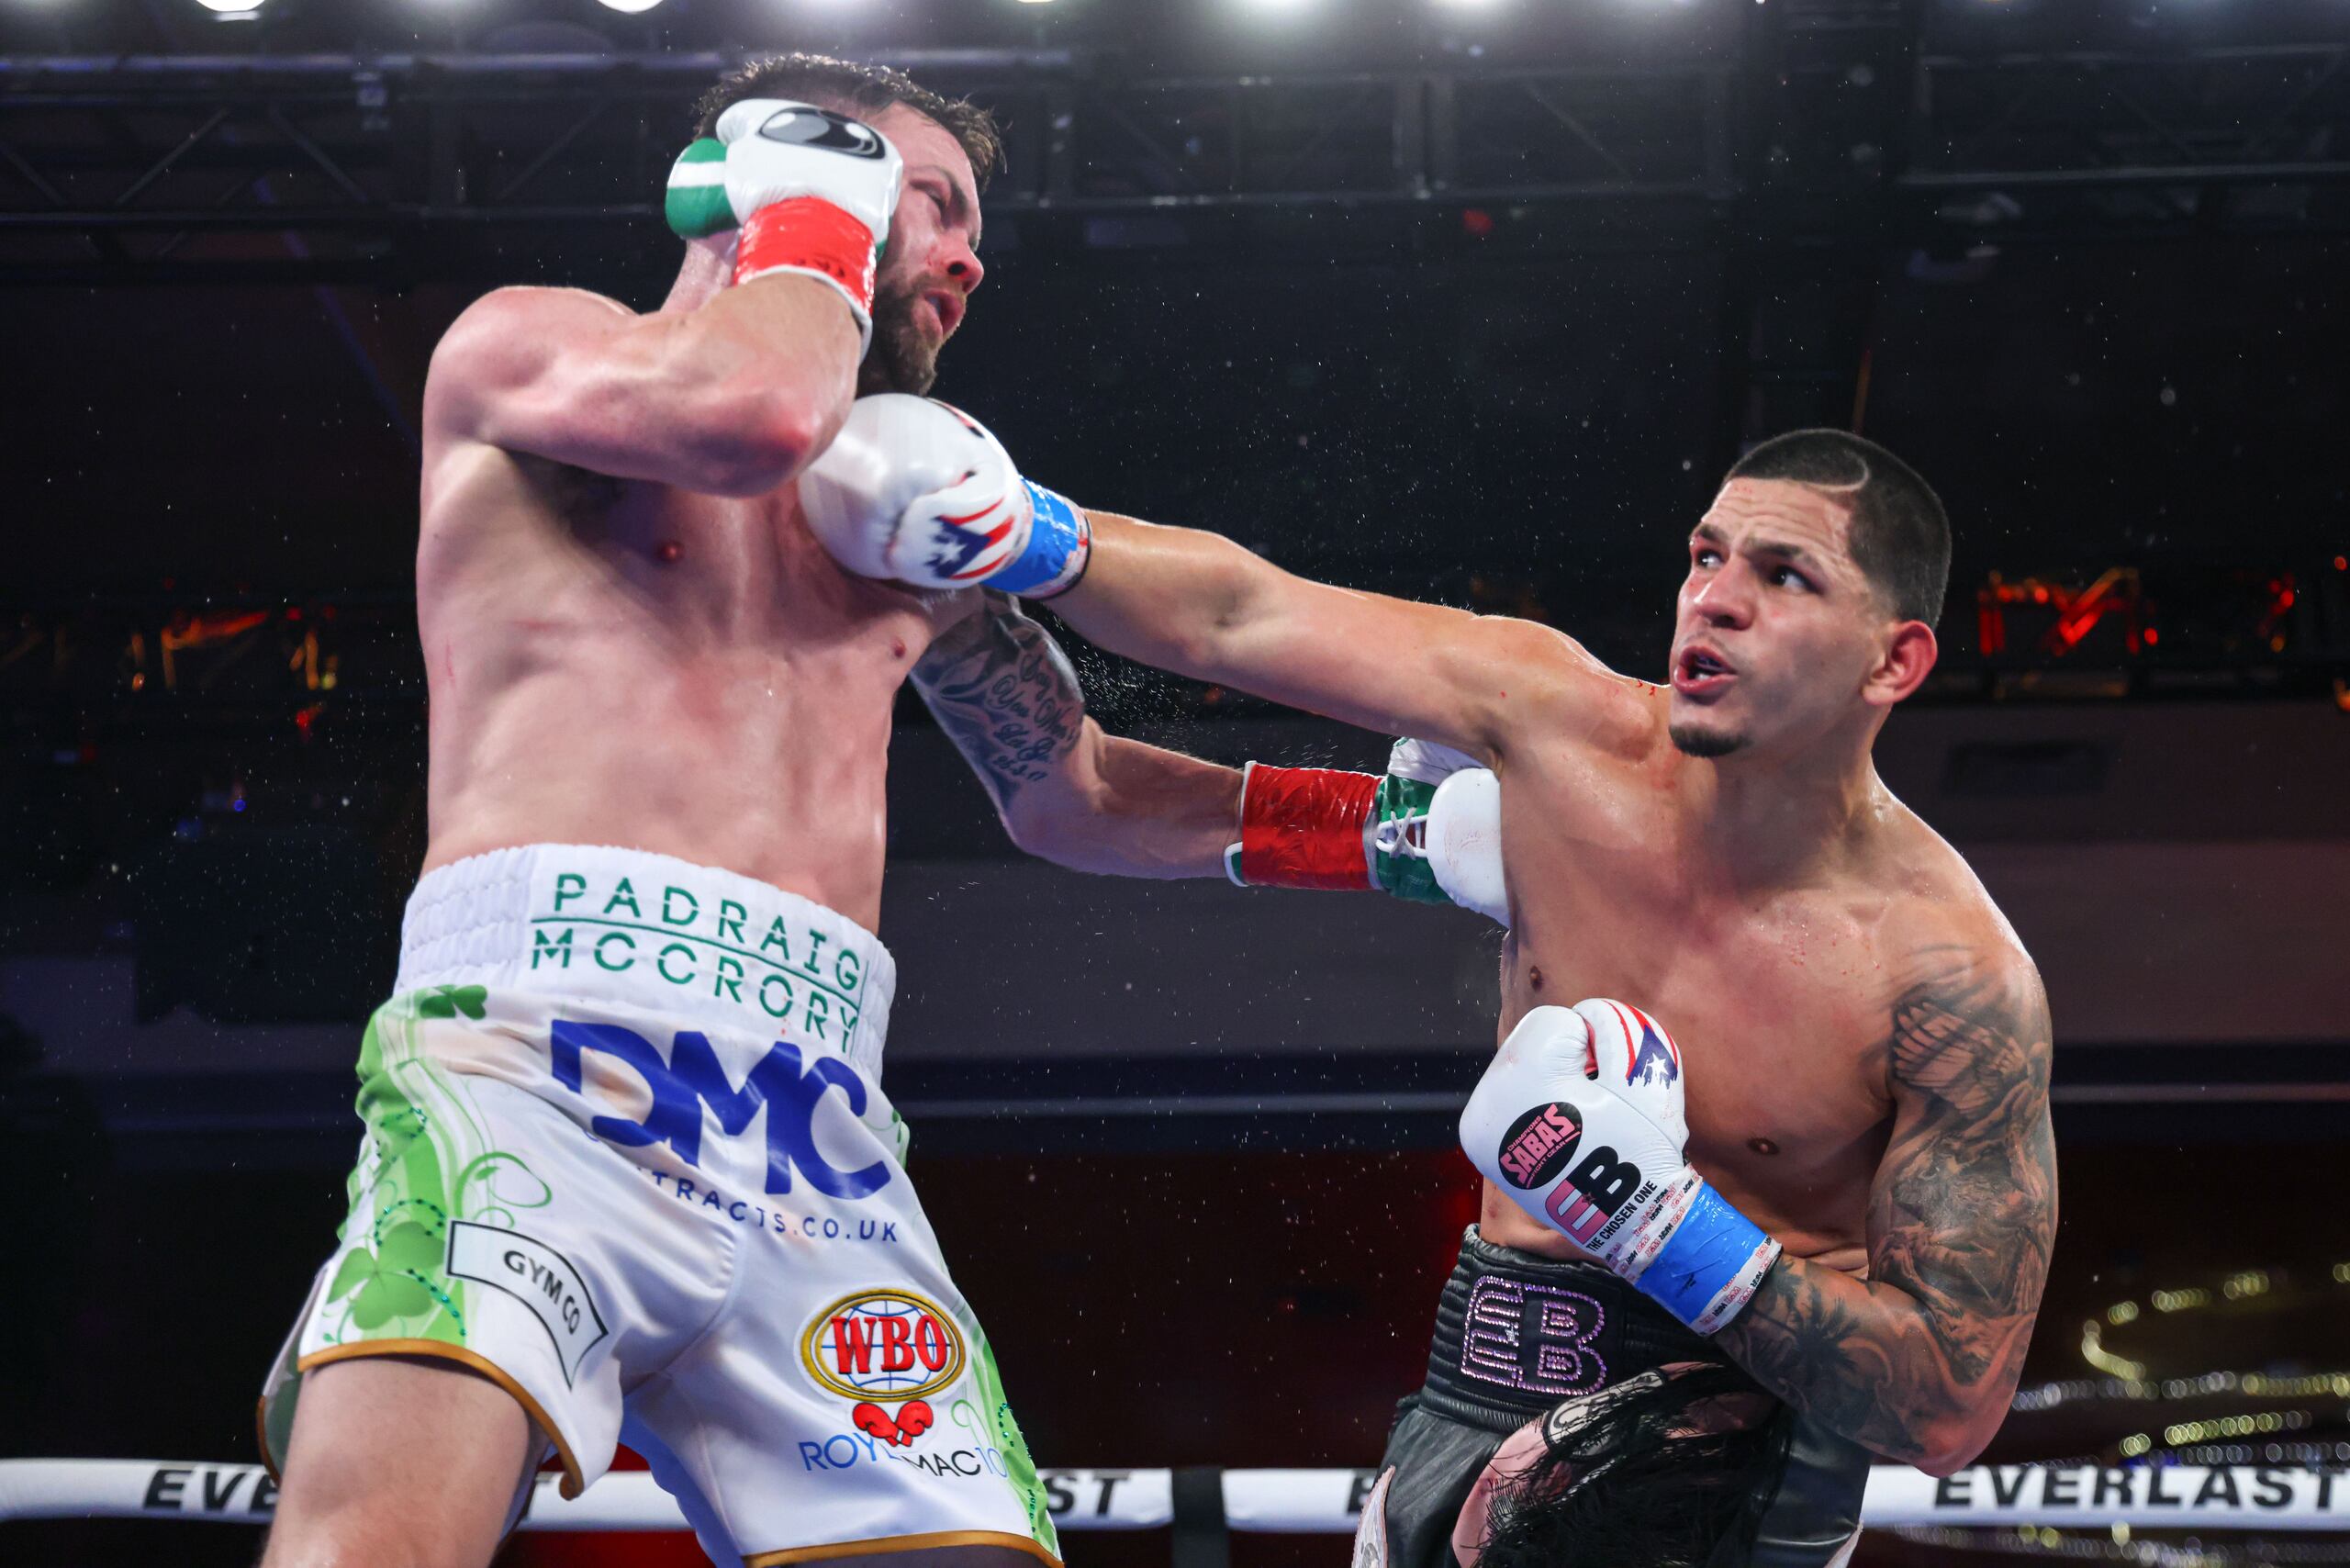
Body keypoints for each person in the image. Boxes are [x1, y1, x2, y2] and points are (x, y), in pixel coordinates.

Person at [253, 55, 1240, 1568]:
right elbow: (750, 412)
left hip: (815, 1141)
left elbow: (1081, 793)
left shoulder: (904, 521)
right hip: (532, 1065)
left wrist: (1383, 832)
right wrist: (816, 209)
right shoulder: (531, 353)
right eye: (937, 202)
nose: (974, 256)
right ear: (788, 169)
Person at [795, 415, 2058, 1568]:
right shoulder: (1550, 744)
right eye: (1704, 556)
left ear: (1895, 659)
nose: (1714, 602)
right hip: (1466, 1406)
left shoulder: (1948, 981)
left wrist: (1654, 1220)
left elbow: (1949, 1406)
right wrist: (1013, 536)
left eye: (1783, 577)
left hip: (1724, 1482)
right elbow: (1227, 627)